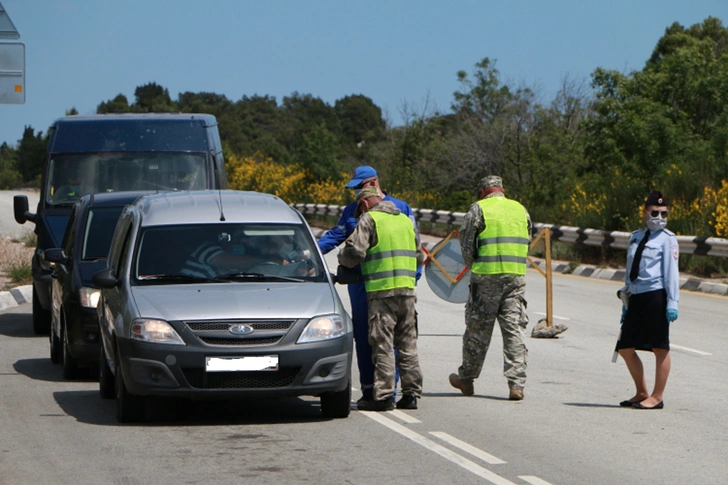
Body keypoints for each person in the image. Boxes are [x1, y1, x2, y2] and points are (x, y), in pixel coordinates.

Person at [318, 165, 421, 407]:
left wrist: (413, 277)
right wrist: (310, 253)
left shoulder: (400, 210)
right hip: (366, 286)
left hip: (382, 286)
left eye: (359, 188)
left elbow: (413, 253)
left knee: (386, 341)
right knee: (369, 339)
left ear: (373, 182)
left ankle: (386, 393)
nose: (355, 195)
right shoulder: (353, 211)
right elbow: (335, 235)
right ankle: (373, 390)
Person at [448, 175, 531, 401]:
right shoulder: (520, 209)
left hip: (486, 277)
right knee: (514, 329)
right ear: (502, 190)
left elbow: (466, 247)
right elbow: (528, 241)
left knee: (477, 330)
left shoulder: (479, 208)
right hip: (515, 277)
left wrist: (472, 263)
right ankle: (516, 384)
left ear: (483, 192)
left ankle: (466, 378)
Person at [616, 190, 679, 410]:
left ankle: (657, 396)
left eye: (664, 213)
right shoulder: (636, 236)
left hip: (656, 296)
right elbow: (629, 269)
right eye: (655, 212)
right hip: (636, 296)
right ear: (645, 212)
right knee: (625, 347)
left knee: (660, 348)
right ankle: (641, 392)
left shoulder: (668, 240)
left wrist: (672, 303)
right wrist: (626, 298)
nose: (660, 217)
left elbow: (672, 273)